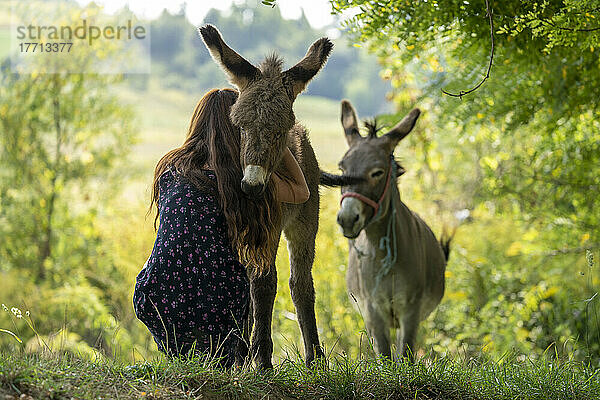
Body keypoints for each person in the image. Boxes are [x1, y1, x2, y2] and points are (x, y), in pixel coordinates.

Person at [133, 88, 309, 365]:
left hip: (157, 293)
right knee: (219, 370)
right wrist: (275, 140)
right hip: (218, 299)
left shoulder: (170, 166)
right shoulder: (237, 180)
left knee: (187, 365)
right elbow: (301, 192)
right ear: (240, 130)